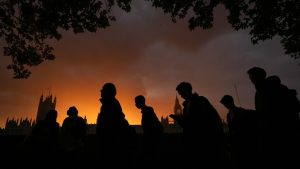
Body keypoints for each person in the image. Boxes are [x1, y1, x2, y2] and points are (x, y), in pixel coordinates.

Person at [247, 67, 300, 167]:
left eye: (252, 76)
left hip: (284, 135)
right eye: (250, 77)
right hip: (269, 135)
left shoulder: (277, 87)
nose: (251, 80)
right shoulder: (258, 93)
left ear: (260, 76)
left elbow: (294, 108)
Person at [170, 82, 226, 168]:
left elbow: (213, 119)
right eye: (180, 94)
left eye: (181, 93)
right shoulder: (185, 106)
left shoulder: (201, 101)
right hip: (192, 143)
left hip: (204, 143)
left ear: (188, 91)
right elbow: (187, 125)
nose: (181, 96)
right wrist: (178, 119)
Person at [96, 83, 136, 167]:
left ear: (107, 92)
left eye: (102, 90)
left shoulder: (109, 105)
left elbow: (108, 127)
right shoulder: (111, 103)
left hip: (111, 145)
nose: (101, 92)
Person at [220, 95, 258, 168]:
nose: (225, 106)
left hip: (242, 142)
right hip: (235, 143)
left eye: (225, 103)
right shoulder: (228, 115)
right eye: (224, 104)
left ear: (230, 102)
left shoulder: (240, 111)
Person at [135, 95, 163, 166]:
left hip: (151, 138)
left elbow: (150, 127)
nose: (135, 104)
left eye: (136, 102)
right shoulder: (148, 110)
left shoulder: (147, 111)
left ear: (140, 102)